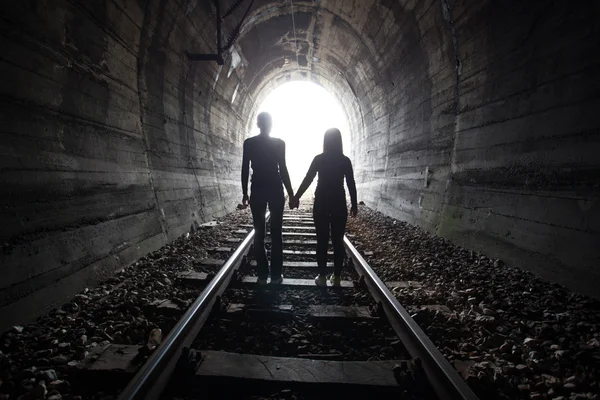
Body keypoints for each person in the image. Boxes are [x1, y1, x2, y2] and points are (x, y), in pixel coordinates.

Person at [291, 128, 357, 287]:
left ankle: (321, 276)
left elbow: (308, 179)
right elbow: (350, 184)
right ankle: (337, 277)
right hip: (338, 203)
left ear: (325, 141)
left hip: (321, 202)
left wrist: (296, 197)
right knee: (337, 241)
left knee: (321, 240)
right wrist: (354, 204)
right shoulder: (345, 160)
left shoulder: (319, 159)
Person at [242, 112, 295, 285]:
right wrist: (291, 193)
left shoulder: (249, 143)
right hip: (275, 188)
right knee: (276, 233)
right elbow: (284, 169)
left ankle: (262, 275)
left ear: (258, 124)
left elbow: (244, 169)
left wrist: (245, 193)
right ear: (271, 125)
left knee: (259, 232)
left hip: (257, 188)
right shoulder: (279, 144)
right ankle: (276, 276)